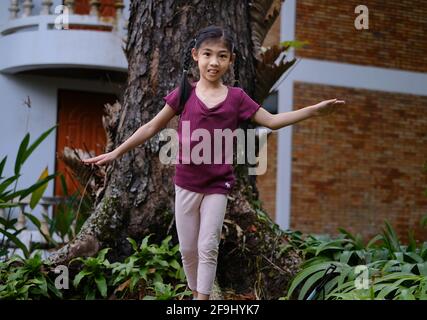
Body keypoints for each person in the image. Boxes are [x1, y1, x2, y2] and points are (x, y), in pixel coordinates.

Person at [82, 25, 345, 300]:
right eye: (207, 54)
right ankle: (196, 291)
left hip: (218, 185)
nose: (214, 62)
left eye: (222, 56)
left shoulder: (237, 98)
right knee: (188, 250)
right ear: (196, 55)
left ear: (231, 60)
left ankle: (202, 299)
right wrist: (115, 153)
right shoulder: (184, 93)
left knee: (208, 246)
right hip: (186, 183)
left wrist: (314, 111)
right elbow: (150, 127)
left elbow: (273, 121)